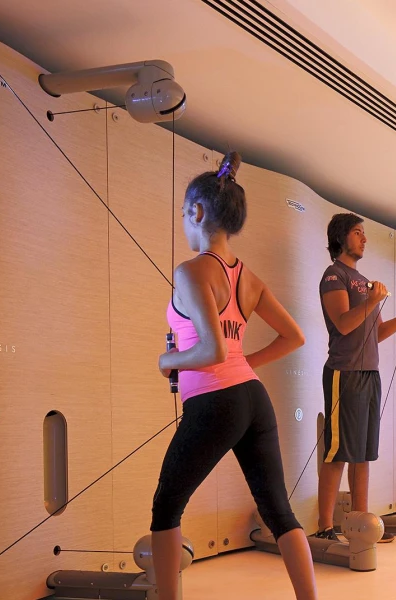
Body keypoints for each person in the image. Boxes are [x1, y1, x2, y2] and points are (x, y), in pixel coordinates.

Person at [153, 153, 316, 600]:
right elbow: (293, 337)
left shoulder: (190, 272)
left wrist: (169, 362)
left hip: (214, 402)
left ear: (198, 212)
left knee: (167, 505)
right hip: (251, 398)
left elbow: (210, 350)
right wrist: (245, 367)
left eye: (183, 215)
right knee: (279, 512)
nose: (184, 225)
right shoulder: (250, 279)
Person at [311, 213, 396, 543]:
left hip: (369, 374)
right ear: (341, 238)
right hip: (343, 373)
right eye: (357, 233)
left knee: (362, 454)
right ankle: (324, 527)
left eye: (364, 233)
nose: (364, 239)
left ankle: (361, 525)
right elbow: (344, 325)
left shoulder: (364, 282)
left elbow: (374, 334)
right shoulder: (334, 276)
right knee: (337, 453)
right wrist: (374, 300)